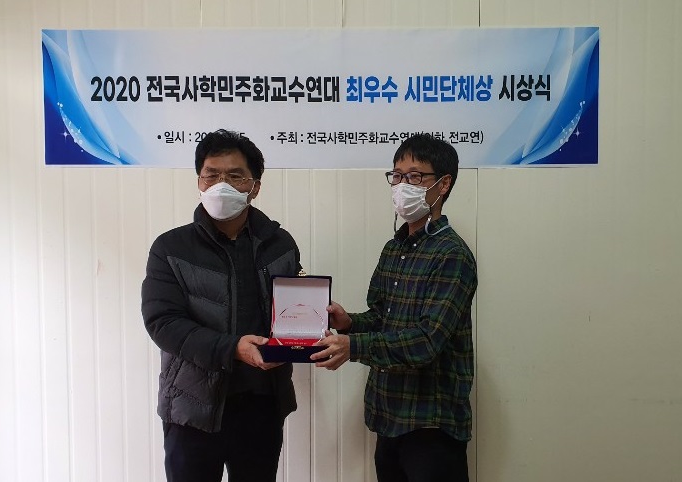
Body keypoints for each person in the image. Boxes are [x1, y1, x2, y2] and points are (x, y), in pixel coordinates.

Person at [312, 133, 478, 482]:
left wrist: (353, 347)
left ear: (443, 184)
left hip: (431, 424)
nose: (403, 186)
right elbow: (381, 317)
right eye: (397, 176)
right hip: (388, 415)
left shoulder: (452, 255)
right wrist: (348, 323)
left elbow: (426, 341)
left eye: (415, 176)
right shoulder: (394, 248)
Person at [141, 129, 301, 482]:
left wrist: (313, 320)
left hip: (262, 404)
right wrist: (233, 349)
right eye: (211, 175)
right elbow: (163, 323)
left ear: (254, 187)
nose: (221, 184)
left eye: (234, 176)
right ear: (199, 181)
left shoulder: (280, 244)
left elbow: (293, 312)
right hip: (192, 408)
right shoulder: (170, 248)